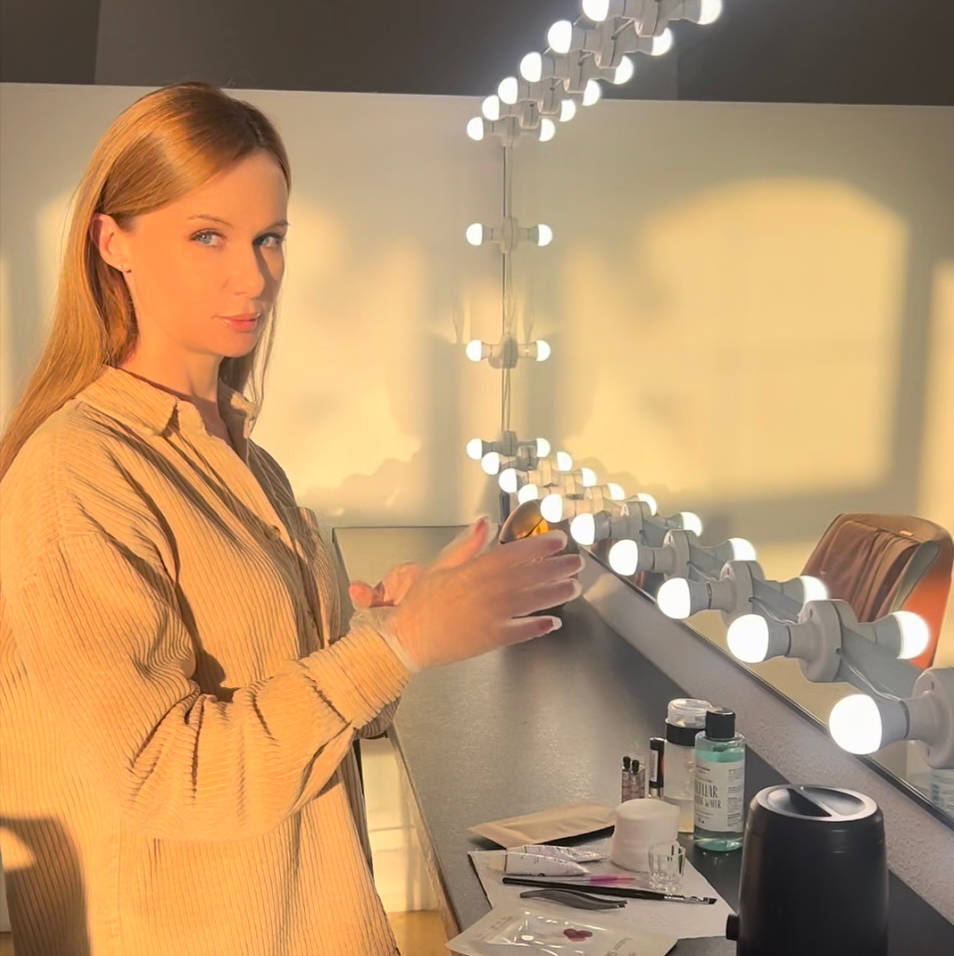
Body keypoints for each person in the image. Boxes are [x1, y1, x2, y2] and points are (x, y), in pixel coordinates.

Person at [0, 81, 583, 956]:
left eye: (269, 238)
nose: (255, 276)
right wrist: (396, 646)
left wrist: (393, 629)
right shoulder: (79, 471)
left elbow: (311, 717)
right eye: (208, 235)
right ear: (112, 242)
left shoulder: (246, 458)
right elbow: (166, 777)